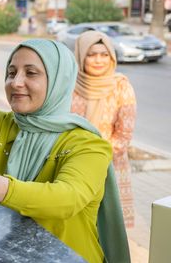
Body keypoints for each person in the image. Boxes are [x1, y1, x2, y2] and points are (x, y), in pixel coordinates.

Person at [0, 39, 129, 263]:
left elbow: (68, 198)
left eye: (31, 73)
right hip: (7, 253)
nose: (16, 82)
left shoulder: (88, 145)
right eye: (11, 72)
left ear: (58, 80)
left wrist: (0, 189)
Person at [71, 30, 137, 228]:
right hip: (72, 164)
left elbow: (124, 134)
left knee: (107, 228)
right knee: (77, 225)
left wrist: (97, 158)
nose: (98, 60)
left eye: (104, 54)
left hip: (109, 164)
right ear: (81, 56)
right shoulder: (69, 85)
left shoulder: (121, 86)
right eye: (91, 54)